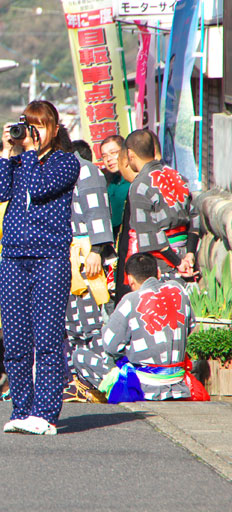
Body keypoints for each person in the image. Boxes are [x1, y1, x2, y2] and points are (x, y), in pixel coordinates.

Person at [0, 100, 79, 435]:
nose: (33, 132)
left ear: (55, 128)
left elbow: (39, 189)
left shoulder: (65, 163)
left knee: (46, 340)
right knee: (14, 342)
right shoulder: (18, 160)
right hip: (13, 259)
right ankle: (22, 409)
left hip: (49, 260)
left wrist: (27, 153)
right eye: (28, 124)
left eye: (40, 125)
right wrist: (6, 153)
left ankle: (45, 414)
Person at [73, 253, 194, 401]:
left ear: (130, 279)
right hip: (177, 382)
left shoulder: (131, 300)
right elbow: (190, 327)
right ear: (158, 273)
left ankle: (107, 394)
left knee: (79, 355)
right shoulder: (179, 291)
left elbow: (110, 346)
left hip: (142, 386)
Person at [63, 139, 114, 397]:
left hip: (86, 257)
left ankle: (107, 384)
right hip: (62, 258)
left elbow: (98, 212)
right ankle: (78, 386)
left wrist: (97, 249)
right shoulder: (53, 171)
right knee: (69, 328)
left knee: (92, 325)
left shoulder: (86, 171)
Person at [124, 129, 199, 283]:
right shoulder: (178, 176)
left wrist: (178, 263)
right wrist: (189, 254)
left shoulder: (140, 185)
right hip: (187, 255)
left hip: (163, 263)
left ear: (130, 154)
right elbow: (195, 219)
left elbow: (150, 234)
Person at [99, 135, 130, 241]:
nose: (109, 159)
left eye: (113, 153)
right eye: (104, 156)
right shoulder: (106, 182)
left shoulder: (134, 180)